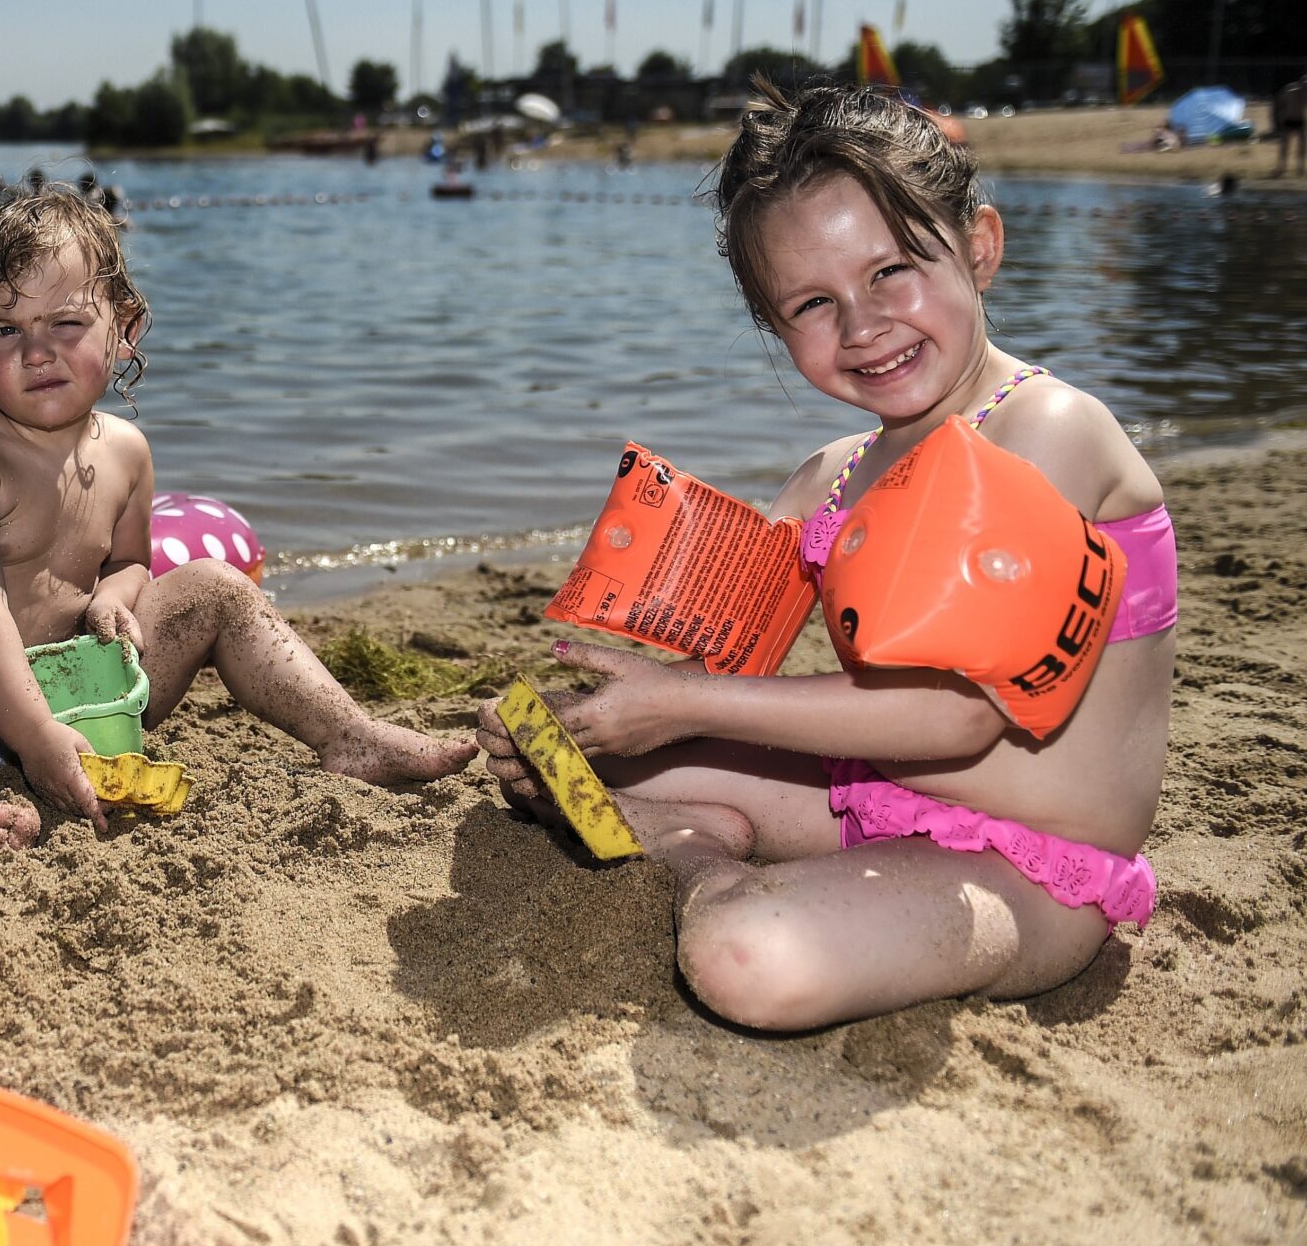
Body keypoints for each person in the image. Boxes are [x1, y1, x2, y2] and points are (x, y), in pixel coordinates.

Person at [479, 80, 1174, 1032]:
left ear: (981, 245)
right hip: (869, 803)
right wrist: (604, 714)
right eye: (814, 301)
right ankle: (707, 835)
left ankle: (696, 861)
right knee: (557, 755)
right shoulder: (832, 478)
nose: (865, 324)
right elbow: (727, 666)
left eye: (893, 270)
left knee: (746, 958)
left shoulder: (1049, 432)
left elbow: (957, 718)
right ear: (775, 326)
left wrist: (676, 706)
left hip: (1034, 874)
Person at [0, 186, 476, 847]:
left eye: (64, 323)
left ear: (125, 329)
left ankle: (349, 735)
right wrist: (32, 737)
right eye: (3, 329)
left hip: (93, 696)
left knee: (217, 585)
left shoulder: (127, 450)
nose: (35, 351)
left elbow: (129, 561)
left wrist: (115, 601)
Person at [1272, 73, 1306, 178]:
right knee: (1285, 145)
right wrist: (1279, 116)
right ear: (1300, 83)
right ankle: (1281, 168)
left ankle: (1300, 168)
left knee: (1302, 145)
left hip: (1300, 120)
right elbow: (1279, 102)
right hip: (1288, 120)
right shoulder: (1289, 90)